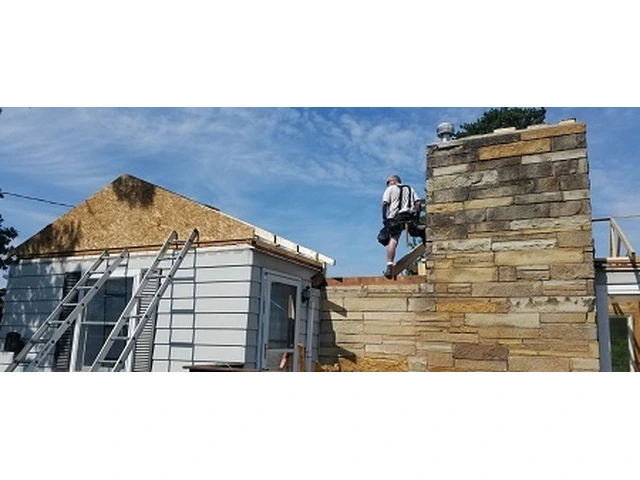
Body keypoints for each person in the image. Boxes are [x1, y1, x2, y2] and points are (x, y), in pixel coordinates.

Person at [381, 174, 421, 279]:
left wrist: (384, 217)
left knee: (393, 240)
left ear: (394, 181)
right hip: (409, 217)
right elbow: (418, 203)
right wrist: (417, 217)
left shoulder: (390, 189)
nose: (387, 185)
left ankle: (389, 265)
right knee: (419, 232)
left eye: (388, 182)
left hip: (396, 218)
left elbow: (384, 204)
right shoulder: (410, 188)